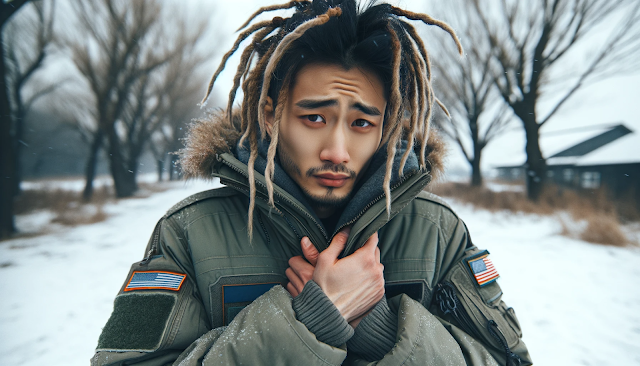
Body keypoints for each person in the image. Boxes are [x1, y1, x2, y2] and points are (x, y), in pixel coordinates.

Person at [92, 1, 532, 365]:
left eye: (362, 122)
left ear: (387, 127)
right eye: (314, 117)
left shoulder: (437, 233)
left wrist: (382, 332)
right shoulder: (190, 234)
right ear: (270, 114)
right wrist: (307, 322)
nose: (337, 151)